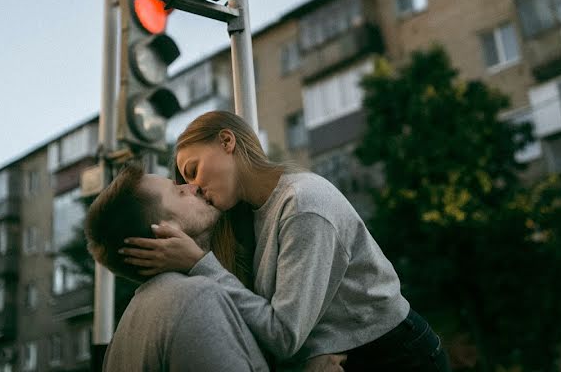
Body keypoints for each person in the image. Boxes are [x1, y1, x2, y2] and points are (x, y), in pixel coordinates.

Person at [119, 111, 451, 371]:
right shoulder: (252, 215)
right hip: (345, 357)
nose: (194, 187)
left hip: (396, 356)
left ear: (226, 141)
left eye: (193, 170)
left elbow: (283, 334)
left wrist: (197, 264)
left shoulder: (305, 205)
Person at [84, 163, 269, 372]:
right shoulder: (195, 297)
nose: (193, 187)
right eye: (178, 192)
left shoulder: (119, 341)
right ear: (165, 232)